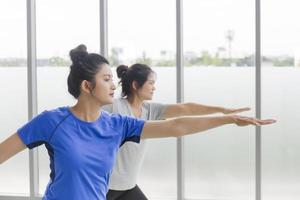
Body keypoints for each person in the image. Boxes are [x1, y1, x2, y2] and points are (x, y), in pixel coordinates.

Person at [0, 44, 275, 200]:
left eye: (112, 78)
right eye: (106, 79)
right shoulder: (52, 122)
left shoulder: (117, 126)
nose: (112, 84)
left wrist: (226, 119)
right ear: (87, 85)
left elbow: (176, 126)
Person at [103, 63, 254, 200]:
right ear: (136, 85)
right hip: (105, 188)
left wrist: (223, 111)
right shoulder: (114, 107)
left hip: (128, 186)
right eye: (151, 83)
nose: (154, 87)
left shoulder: (149, 110)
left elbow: (185, 108)